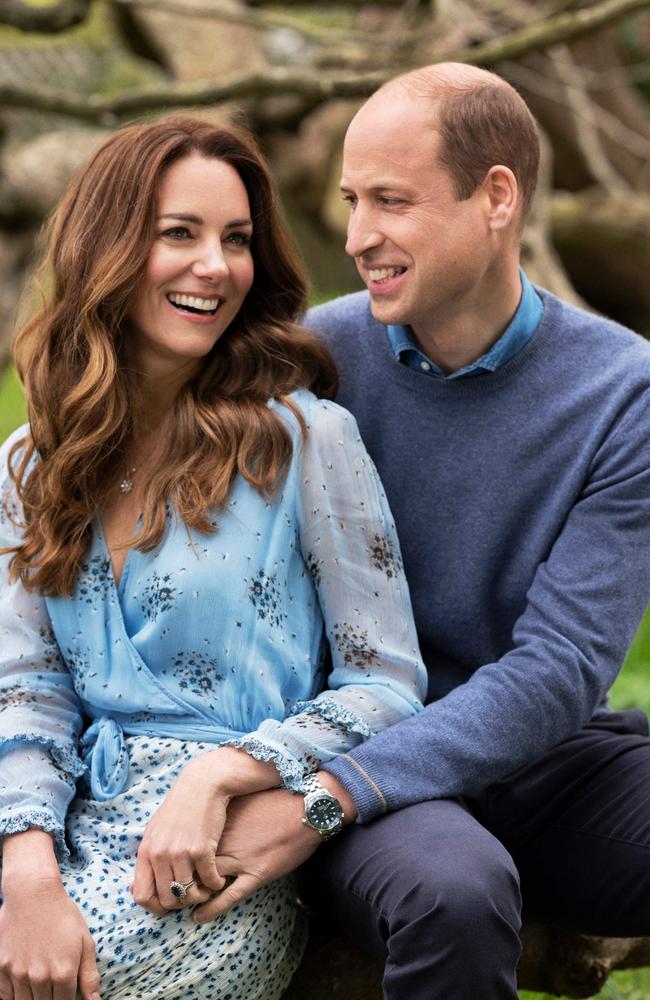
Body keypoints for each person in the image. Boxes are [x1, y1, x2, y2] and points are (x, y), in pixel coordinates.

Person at [199, 64, 650, 999]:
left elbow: (563, 666)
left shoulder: (624, 395)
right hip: (351, 747)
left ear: (495, 197)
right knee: (455, 893)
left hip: (533, 755)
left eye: (391, 202)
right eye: (353, 200)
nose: (360, 236)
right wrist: (321, 791)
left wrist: (327, 800)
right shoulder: (311, 363)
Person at [0, 115, 427, 1000]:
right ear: (106, 250)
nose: (216, 267)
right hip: (51, 826)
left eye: (237, 240)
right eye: (179, 234)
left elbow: (386, 681)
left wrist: (226, 772)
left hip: (219, 853)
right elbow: (25, 693)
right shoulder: (31, 464)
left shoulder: (306, 440)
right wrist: (29, 879)